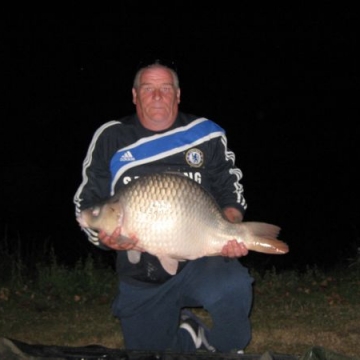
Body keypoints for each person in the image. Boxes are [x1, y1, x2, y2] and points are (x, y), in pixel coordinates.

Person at [73, 59, 254, 354]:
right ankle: (189, 333)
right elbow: (87, 204)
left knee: (233, 290)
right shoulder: (112, 137)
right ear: (135, 95)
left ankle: (222, 343)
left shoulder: (205, 133)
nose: (157, 96)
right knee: (152, 353)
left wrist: (230, 225)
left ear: (178, 95)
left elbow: (229, 188)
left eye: (165, 88)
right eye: (148, 88)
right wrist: (103, 240)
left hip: (203, 256)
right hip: (142, 270)